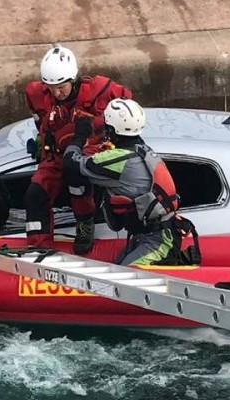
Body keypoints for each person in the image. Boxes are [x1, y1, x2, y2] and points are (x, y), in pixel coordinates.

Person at [24, 44, 133, 254]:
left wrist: (101, 127)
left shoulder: (99, 90)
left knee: (78, 181)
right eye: (51, 87)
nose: (57, 93)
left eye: (61, 87)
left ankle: (85, 223)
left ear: (73, 79)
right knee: (34, 194)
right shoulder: (36, 93)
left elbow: (126, 106)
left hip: (88, 153)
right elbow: (40, 122)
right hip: (55, 155)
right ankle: (38, 248)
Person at [63, 98, 198, 266]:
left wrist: (79, 137)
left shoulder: (118, 160)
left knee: (124, 283)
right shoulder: (142, 149)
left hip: (156, 241)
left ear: (111, 129)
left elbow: (70, 163)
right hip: (150, 235)